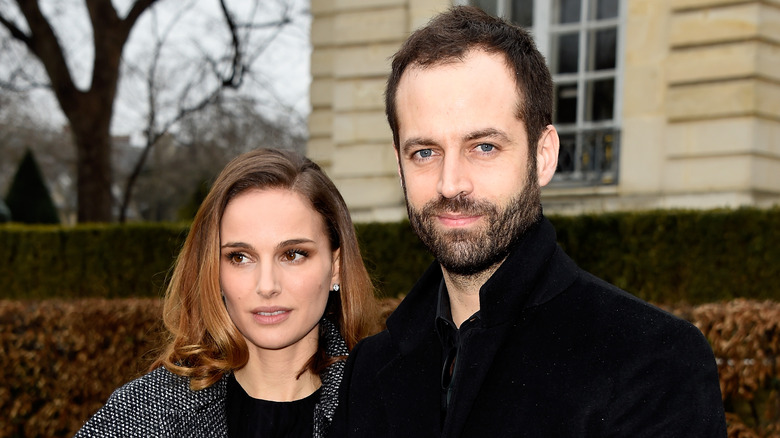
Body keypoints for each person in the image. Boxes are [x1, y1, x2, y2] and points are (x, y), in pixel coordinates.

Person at [333, 6, 727, 437]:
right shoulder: (369, 370)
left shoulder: (653, 360)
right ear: (399, 166)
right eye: (424, 152)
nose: (450, 184)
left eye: (483, 146)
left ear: (543, 155)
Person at [76, 148, 378, 437]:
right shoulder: (143, 414)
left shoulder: (388, 408)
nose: (267, 286)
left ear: (335, 267)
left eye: (293, 254)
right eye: (240, 257)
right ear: (213, 271)